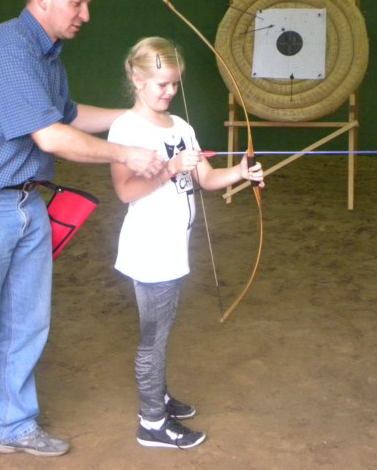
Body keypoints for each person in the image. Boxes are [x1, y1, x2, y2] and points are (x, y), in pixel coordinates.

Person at [0, 0, 165, 470]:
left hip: (28, 203)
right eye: (78, 3)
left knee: (27, 323)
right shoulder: (10, 48)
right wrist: (126, 152)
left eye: (87, 4)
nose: (85, 14)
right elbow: (53, 136)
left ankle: (14, 426)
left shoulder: (47, 53)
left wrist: (135, 116)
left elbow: (69, 114)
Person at [107, 37, 265, 449]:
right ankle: (152, 422)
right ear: (136, 78)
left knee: (163, 327)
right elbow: (125, 191)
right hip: (149, 249)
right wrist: (171, 168)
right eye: (161, 84)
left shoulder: (181, 127)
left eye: (175, 84)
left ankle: (157, 397)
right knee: (154, 337)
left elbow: (207, 179)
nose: (170, 91)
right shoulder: (126, 129)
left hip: (174, 248)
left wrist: (241, 173)